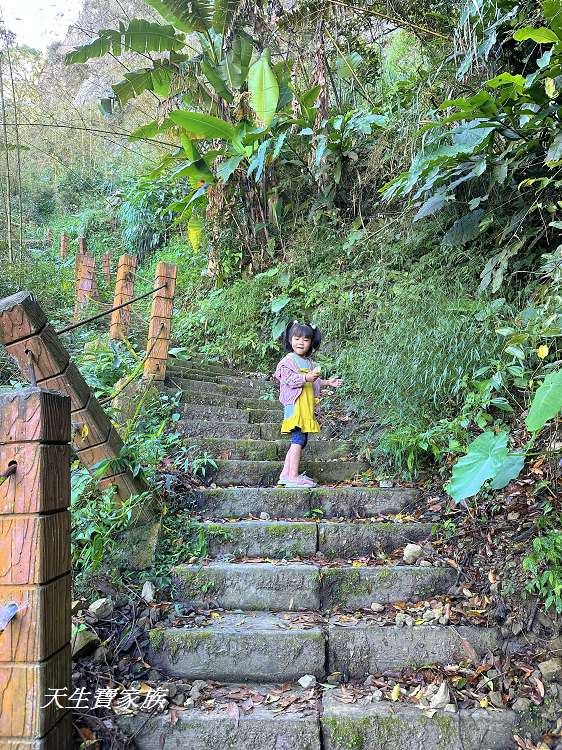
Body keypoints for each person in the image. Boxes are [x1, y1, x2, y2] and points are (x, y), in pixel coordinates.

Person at [274, 321, 343, 488]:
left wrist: (328, 382)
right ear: (290, 340)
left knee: (301, 439)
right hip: (296, 405)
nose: (301, 343)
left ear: (312, 343)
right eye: (297, 338)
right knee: (297, 438)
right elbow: (289, 380)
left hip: (306, 406)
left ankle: (285, 474)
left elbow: (314, 382)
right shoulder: (288, 361)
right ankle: (293, 476)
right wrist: (305, 378)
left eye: (305, 340)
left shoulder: (309, 362)